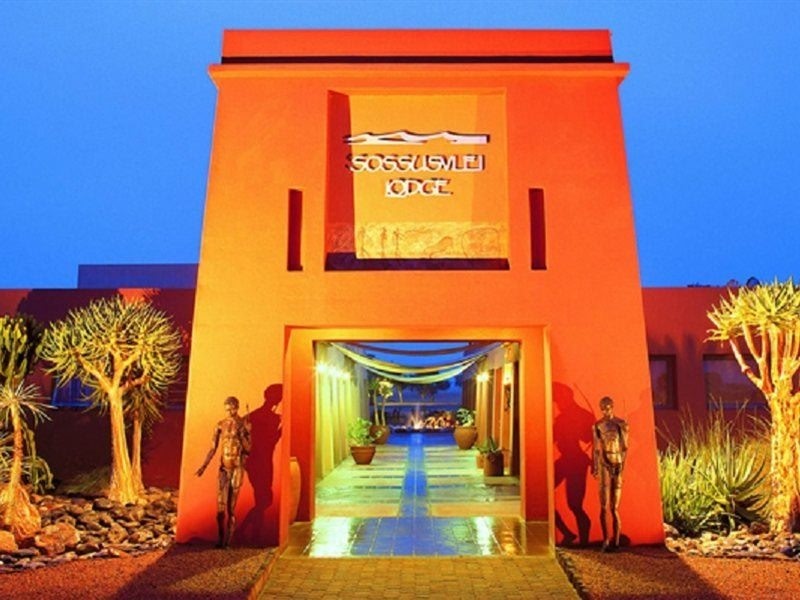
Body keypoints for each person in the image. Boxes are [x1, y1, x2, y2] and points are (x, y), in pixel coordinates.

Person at [196, 396, 252, 548]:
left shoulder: (243, 424)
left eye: (232, 409)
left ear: (237, 407)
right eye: (227, 409)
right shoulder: (220, 424)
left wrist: (244, 434)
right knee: (220, 509)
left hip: (237, 467)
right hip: (223, 468)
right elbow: (212, 448)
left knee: (230, 508)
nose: (229, 412)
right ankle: (220, 540)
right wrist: (203, 466)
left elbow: (248, 449)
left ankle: (228, 541)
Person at [591, 396, 629, 552]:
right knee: (604, 506)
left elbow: (625, 448)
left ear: (612, 407)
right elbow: (596, 448)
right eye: (602, 408)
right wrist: (595, 466)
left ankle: (616, 540)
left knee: (614, 508)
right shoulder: (598, 425)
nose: (605, 411)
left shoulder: (621, 424)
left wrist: (622, 467)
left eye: (607, 408)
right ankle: (605, 539)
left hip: (617, 463)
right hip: (604, 463)